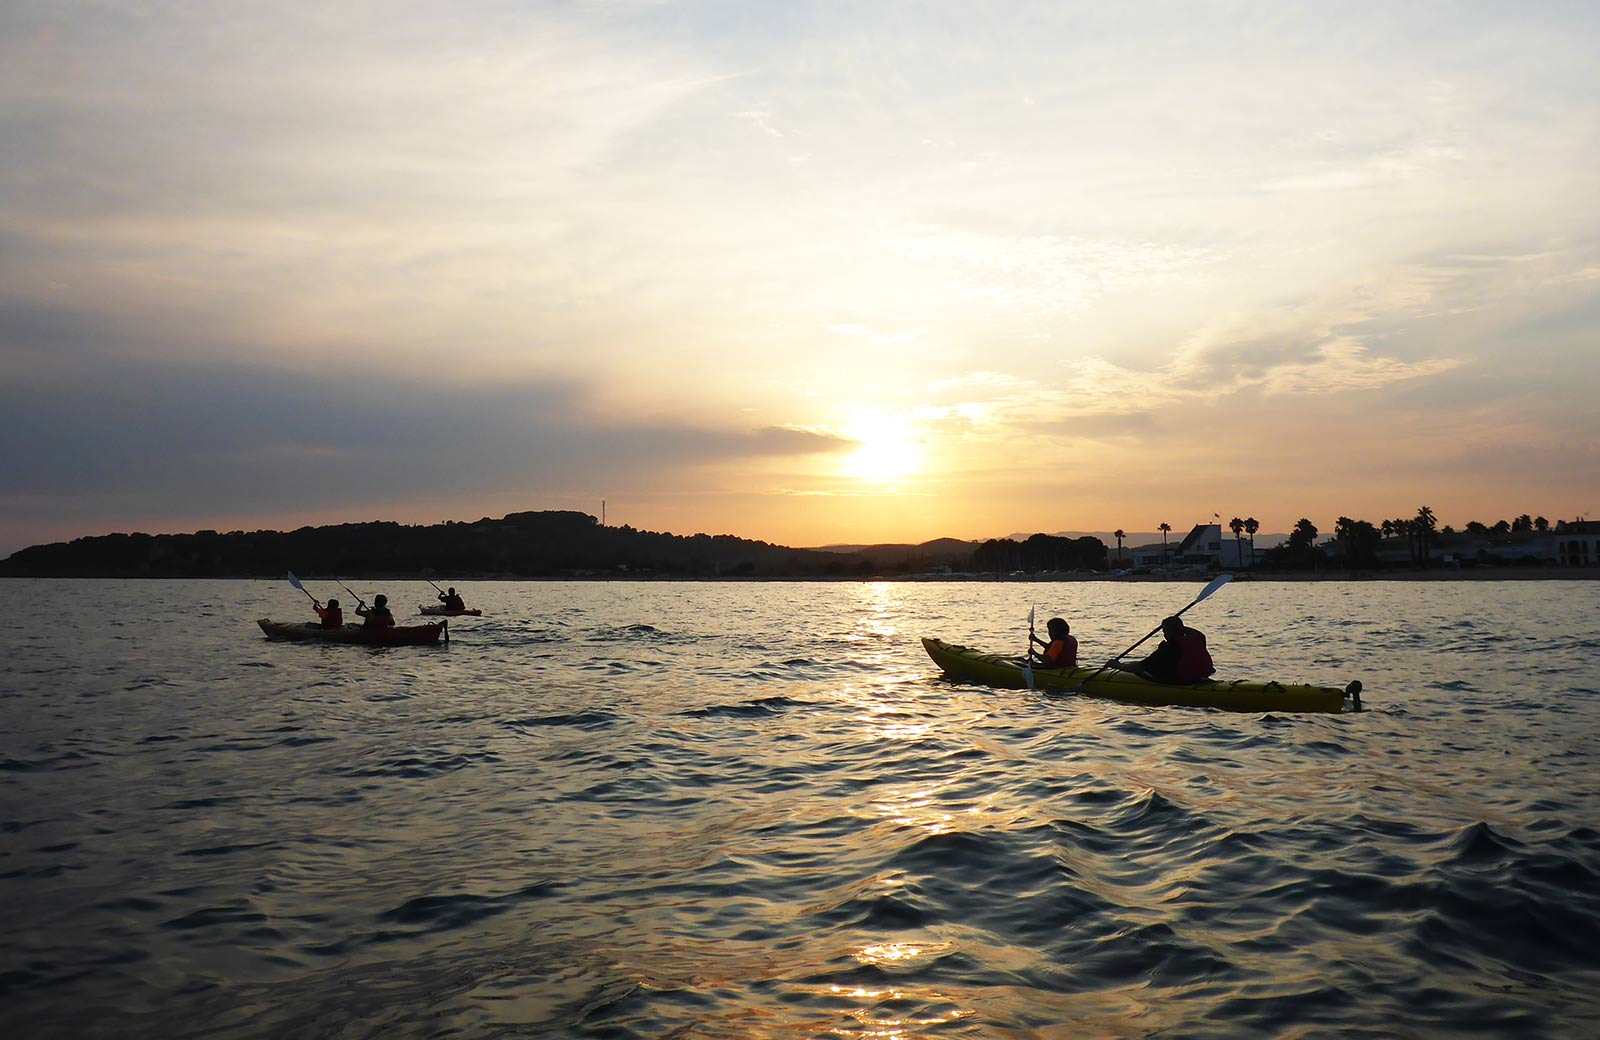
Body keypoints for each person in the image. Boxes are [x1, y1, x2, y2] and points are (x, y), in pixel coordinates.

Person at [1128, 616, 1214, 684]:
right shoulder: (1199, 638)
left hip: (1180, 682)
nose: (1164, 635)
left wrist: (1117, 666)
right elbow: (1194, 632)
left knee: (1137, 669)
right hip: (1202, 678)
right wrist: (1178, 627)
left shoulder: (1169, 647)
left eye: (1164, 632)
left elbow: (1142, 666)